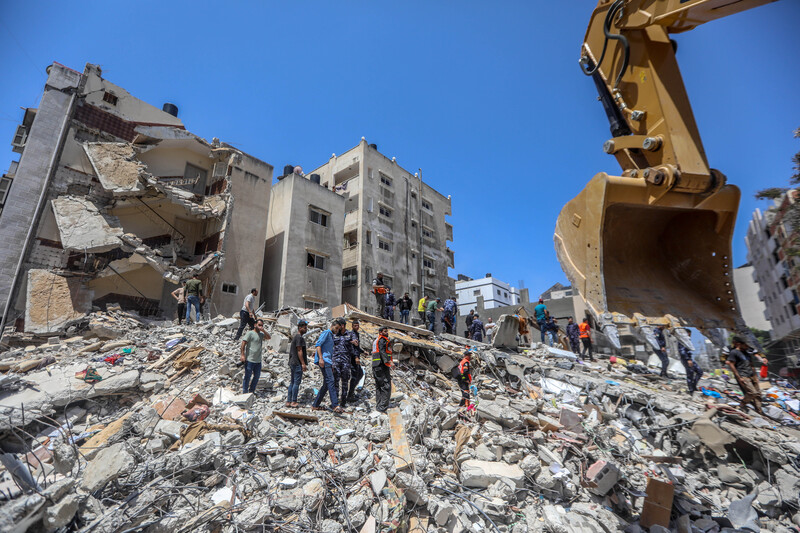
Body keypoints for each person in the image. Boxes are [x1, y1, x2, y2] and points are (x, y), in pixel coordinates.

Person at [726, 336, 764, 414]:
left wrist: (755, 376)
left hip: (752, 375)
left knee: (758, 394)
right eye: (746, 345)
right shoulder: (734, 352)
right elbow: (731, 365)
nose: (747, 346)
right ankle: (742, 404)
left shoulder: (747, 352)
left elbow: (751, 364)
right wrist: (738, 377)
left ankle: (759, 411)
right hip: (743, 375)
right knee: (752, 392)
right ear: (739, 344)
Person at [312, 320, 344, 413]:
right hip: (324, 361)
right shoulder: (326, 333)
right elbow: (318, 345)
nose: (337, 330)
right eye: (336, 328)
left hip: (328, 362)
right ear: (332, 325)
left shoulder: (331, 336)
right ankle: (335, 405)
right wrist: (321, 359)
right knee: (331, 381)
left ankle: (315, 405)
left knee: (326, 384)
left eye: (338, 329)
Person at [240, 319, 270, 394]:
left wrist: (263, 331)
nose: (260, 327)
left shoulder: (261, 334)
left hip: (258, 361)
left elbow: (269, 337)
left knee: (256, 377)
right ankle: (245, 392)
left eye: (262, 325)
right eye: (259, 325)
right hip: (250, 360)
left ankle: (251, 391)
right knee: (247, 377)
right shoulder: (250, 333)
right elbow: (243, 344)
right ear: (255, 325)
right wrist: (242, 355)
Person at [332, 318, 353, 408]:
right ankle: (335, 402)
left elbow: (355, 347)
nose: (337, 327)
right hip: (335, 361)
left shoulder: (350, 334)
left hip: (345, 362)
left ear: (342, 326)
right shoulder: (334, 334)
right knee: (335, 381)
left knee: (344, 382)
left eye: (338, 325)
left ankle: (343, 401)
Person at [286, 320, 308, 407]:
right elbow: (299, 350)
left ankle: (288, 401)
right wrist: (303, 363)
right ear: (300, 328)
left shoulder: (296, 337)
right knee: (296, 383)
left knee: (292, 382)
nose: (306, 329)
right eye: (305, 328)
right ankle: (294, 401)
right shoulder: (299, 338)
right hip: (297, 363)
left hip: (292, 362)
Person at [372, 325, 393, 413]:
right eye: (385, 331)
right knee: (386, 386)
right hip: (381, 366)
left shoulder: (376, 340)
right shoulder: (382, 340)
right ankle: (382, 407)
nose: (386, 333)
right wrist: (389, 361)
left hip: (376, 366)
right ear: (380, 333)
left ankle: (379, 405)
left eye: (387, 331)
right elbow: (382, 352)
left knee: (379, 386)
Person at [346, 319, 365, 403]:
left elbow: (357, 347)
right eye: (355, 326)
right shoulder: (352, 334)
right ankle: (350, 395)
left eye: (358, 325)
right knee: (355, 376)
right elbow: (352, 348)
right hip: (353, 359)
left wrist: (363, 352)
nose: (357, 327)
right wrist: (356, 357)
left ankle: (351, 392)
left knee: (360, 373)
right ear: (352, 326)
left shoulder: (356, 334)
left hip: (355, 357)